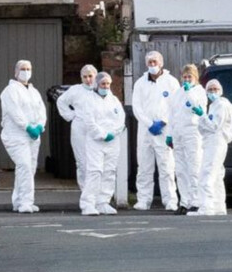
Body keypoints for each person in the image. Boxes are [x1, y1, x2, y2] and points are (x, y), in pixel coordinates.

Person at [132, 51, 180, 212]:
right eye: (150, 62)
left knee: (167, 166)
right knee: (144, 167)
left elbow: (176, 105)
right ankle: (143, 200)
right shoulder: (140, 83)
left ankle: (170, 200)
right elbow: (136, 107)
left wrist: (163, 121)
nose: (152, 65)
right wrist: (149, 123)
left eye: (155, 62)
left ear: (161, 63)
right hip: (145, 131)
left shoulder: (171, 82)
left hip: (165, 129)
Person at [0, 59, 47, 214]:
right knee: (24, 165)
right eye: (23, 69)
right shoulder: (10, 91)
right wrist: (27, 127)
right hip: (16, 135)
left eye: (28, 68)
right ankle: (25, 201)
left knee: (29, 168)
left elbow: (41, 111)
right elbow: (15, 112)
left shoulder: (34, 92)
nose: (26, 71)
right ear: (16, 72)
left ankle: (21, 201)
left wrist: (40, 125)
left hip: (33, 136)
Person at [80, 72, 126, 216]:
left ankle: (103, 202)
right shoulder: (89, 100)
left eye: (107, 84)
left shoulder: (114, 100)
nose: (105, 87)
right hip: (95, 142)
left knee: (109, 171)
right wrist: (103, 134)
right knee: (95, 171)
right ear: (97, 85)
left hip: (113, 141)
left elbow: (121, 119)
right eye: (103, 84)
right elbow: (89, 122)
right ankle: (88, 203)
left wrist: (113, 133)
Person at [189, 79, 232, 216]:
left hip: (216, 142)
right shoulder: (215, 105)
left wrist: (202, 115)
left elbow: (214, 126)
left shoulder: (221, 105)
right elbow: (205, 128)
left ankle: (206, 207)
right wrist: (204, 119)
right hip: (212, 142)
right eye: (210, 90)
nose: (213, 92)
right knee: (217, 175)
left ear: (220, 90)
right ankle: (218, 206)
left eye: (215, 89)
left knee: (206, 174)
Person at [167, 64, 207, 215]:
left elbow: (198, 108)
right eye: (184, 77)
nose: (186, 80)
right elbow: (172, 114)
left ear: (195, 78)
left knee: (194, 167)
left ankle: (196, 201)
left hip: (192, 132)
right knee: (181, 169)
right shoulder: (178, 93)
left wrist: (189, 91)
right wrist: (170, 134)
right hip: (178, 133)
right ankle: (184, 201)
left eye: (189, 77)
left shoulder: (199, 92)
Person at [56, 64, 97, 191]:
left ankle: (98, 193)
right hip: (80, 127)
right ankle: (85, 191)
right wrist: (71, 115)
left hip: (97, 128)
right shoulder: (75, 90)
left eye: (90, 76)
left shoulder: (100, 88)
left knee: (96, 161)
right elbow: (61, 101)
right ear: (81, 77)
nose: (88, 79)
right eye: (85, 77)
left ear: (95, 76)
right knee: (82, 161)